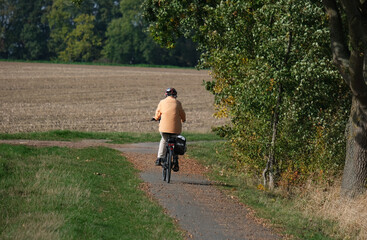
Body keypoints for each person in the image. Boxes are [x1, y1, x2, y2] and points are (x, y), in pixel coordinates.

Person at [152, 88, 186, 171]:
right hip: (175, 129)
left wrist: (156, 118)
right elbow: (182, 114)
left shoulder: (162, 102)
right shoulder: (178, 103)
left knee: (164, 140)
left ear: (166, 94)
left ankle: (159, 158)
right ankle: (175, 161)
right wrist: (183, 120)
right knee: (174, 142)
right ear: (175, 95)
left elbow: (158, 113)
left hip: (164, 128)